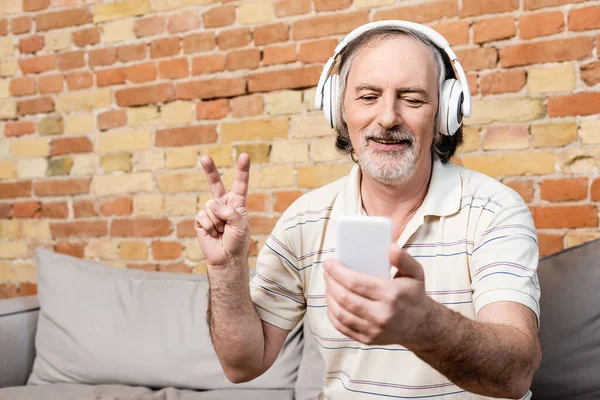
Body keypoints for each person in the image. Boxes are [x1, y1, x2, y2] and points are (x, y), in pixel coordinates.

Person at [194, 20, 541, 400]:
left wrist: (423, 324)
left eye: (412, 98)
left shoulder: (495, 210)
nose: (388, 117)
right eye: (368, 96)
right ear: (338, 111)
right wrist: (225, 269)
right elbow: (242, 364)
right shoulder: (304, 220)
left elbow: (516, 374)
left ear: (445, 116)